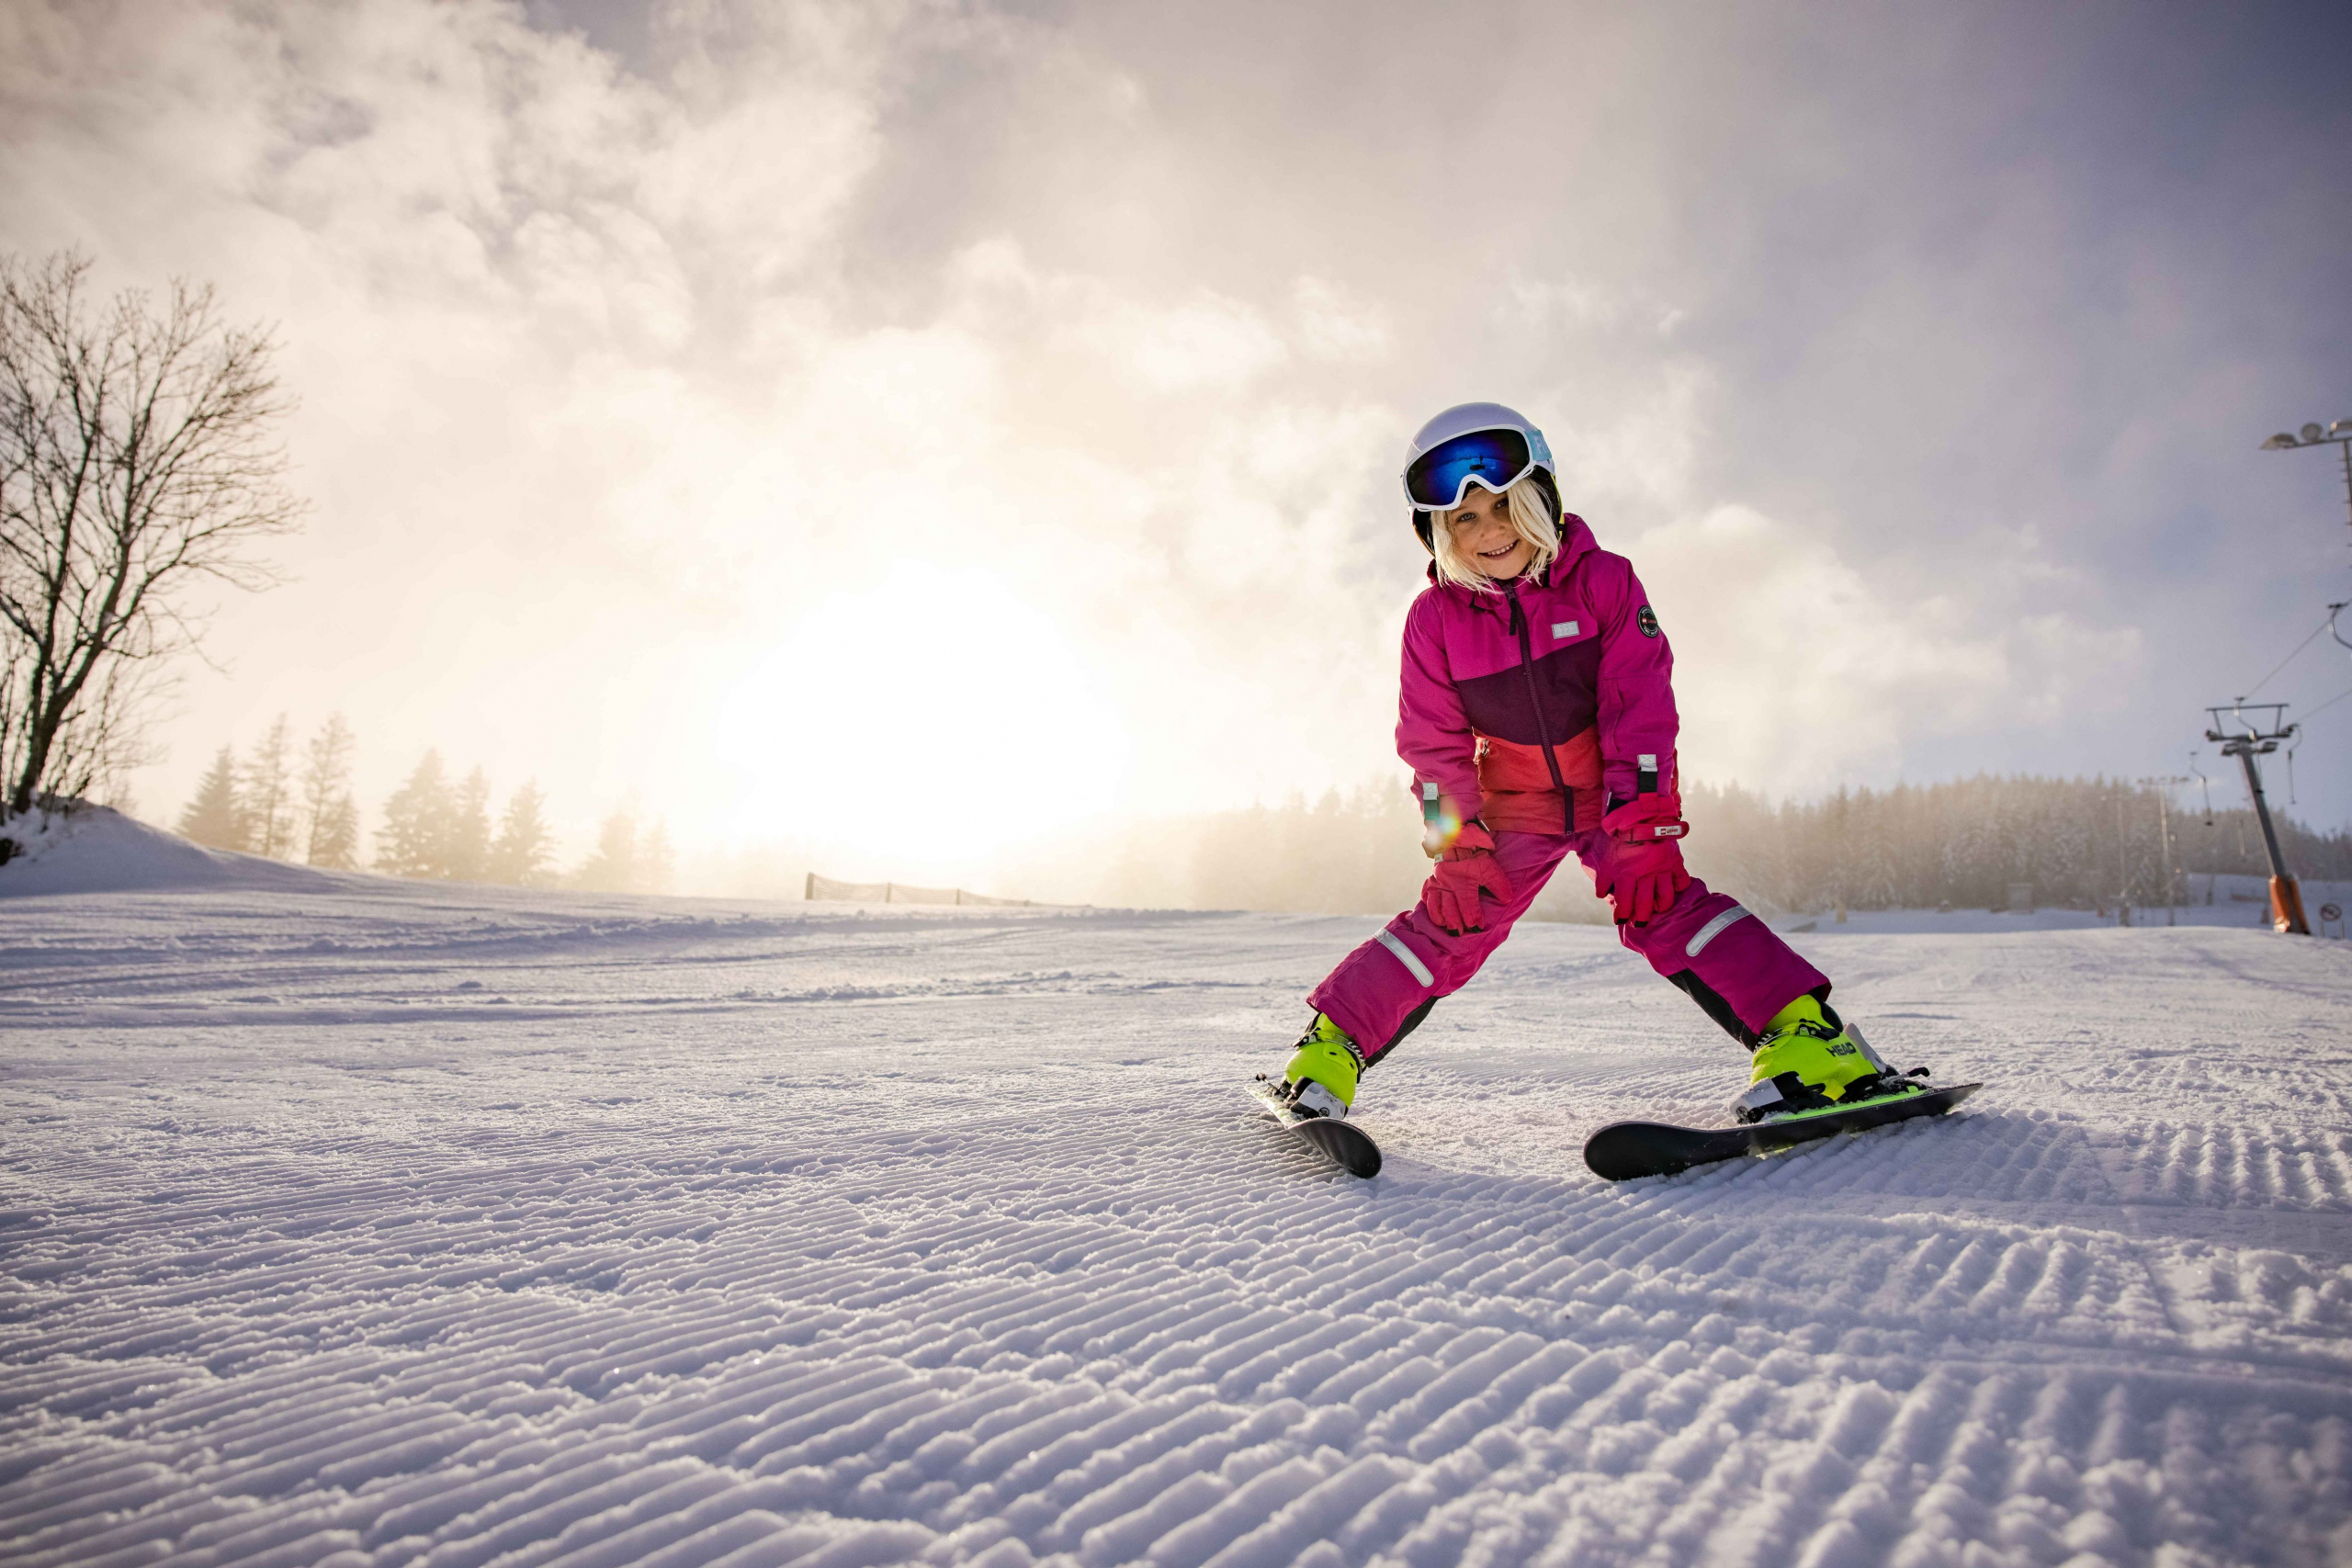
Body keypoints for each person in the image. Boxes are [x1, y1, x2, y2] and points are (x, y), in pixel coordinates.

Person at [1274, 401, 1919, 1127]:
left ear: (1541, 498)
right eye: (1465, 519)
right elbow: (1431, 749)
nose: (1489, 531)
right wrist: (1452, 843)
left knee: (1664, 904)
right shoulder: (1435, 621)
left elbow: (1641, 705)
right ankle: (1328, 1049)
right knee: (1453, 917)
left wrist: (1643, 824)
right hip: (1514, 804)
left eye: (1504, 505)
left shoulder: (1603, 582)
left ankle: (1811, 1040)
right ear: (1438, 533)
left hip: (1613, 794)